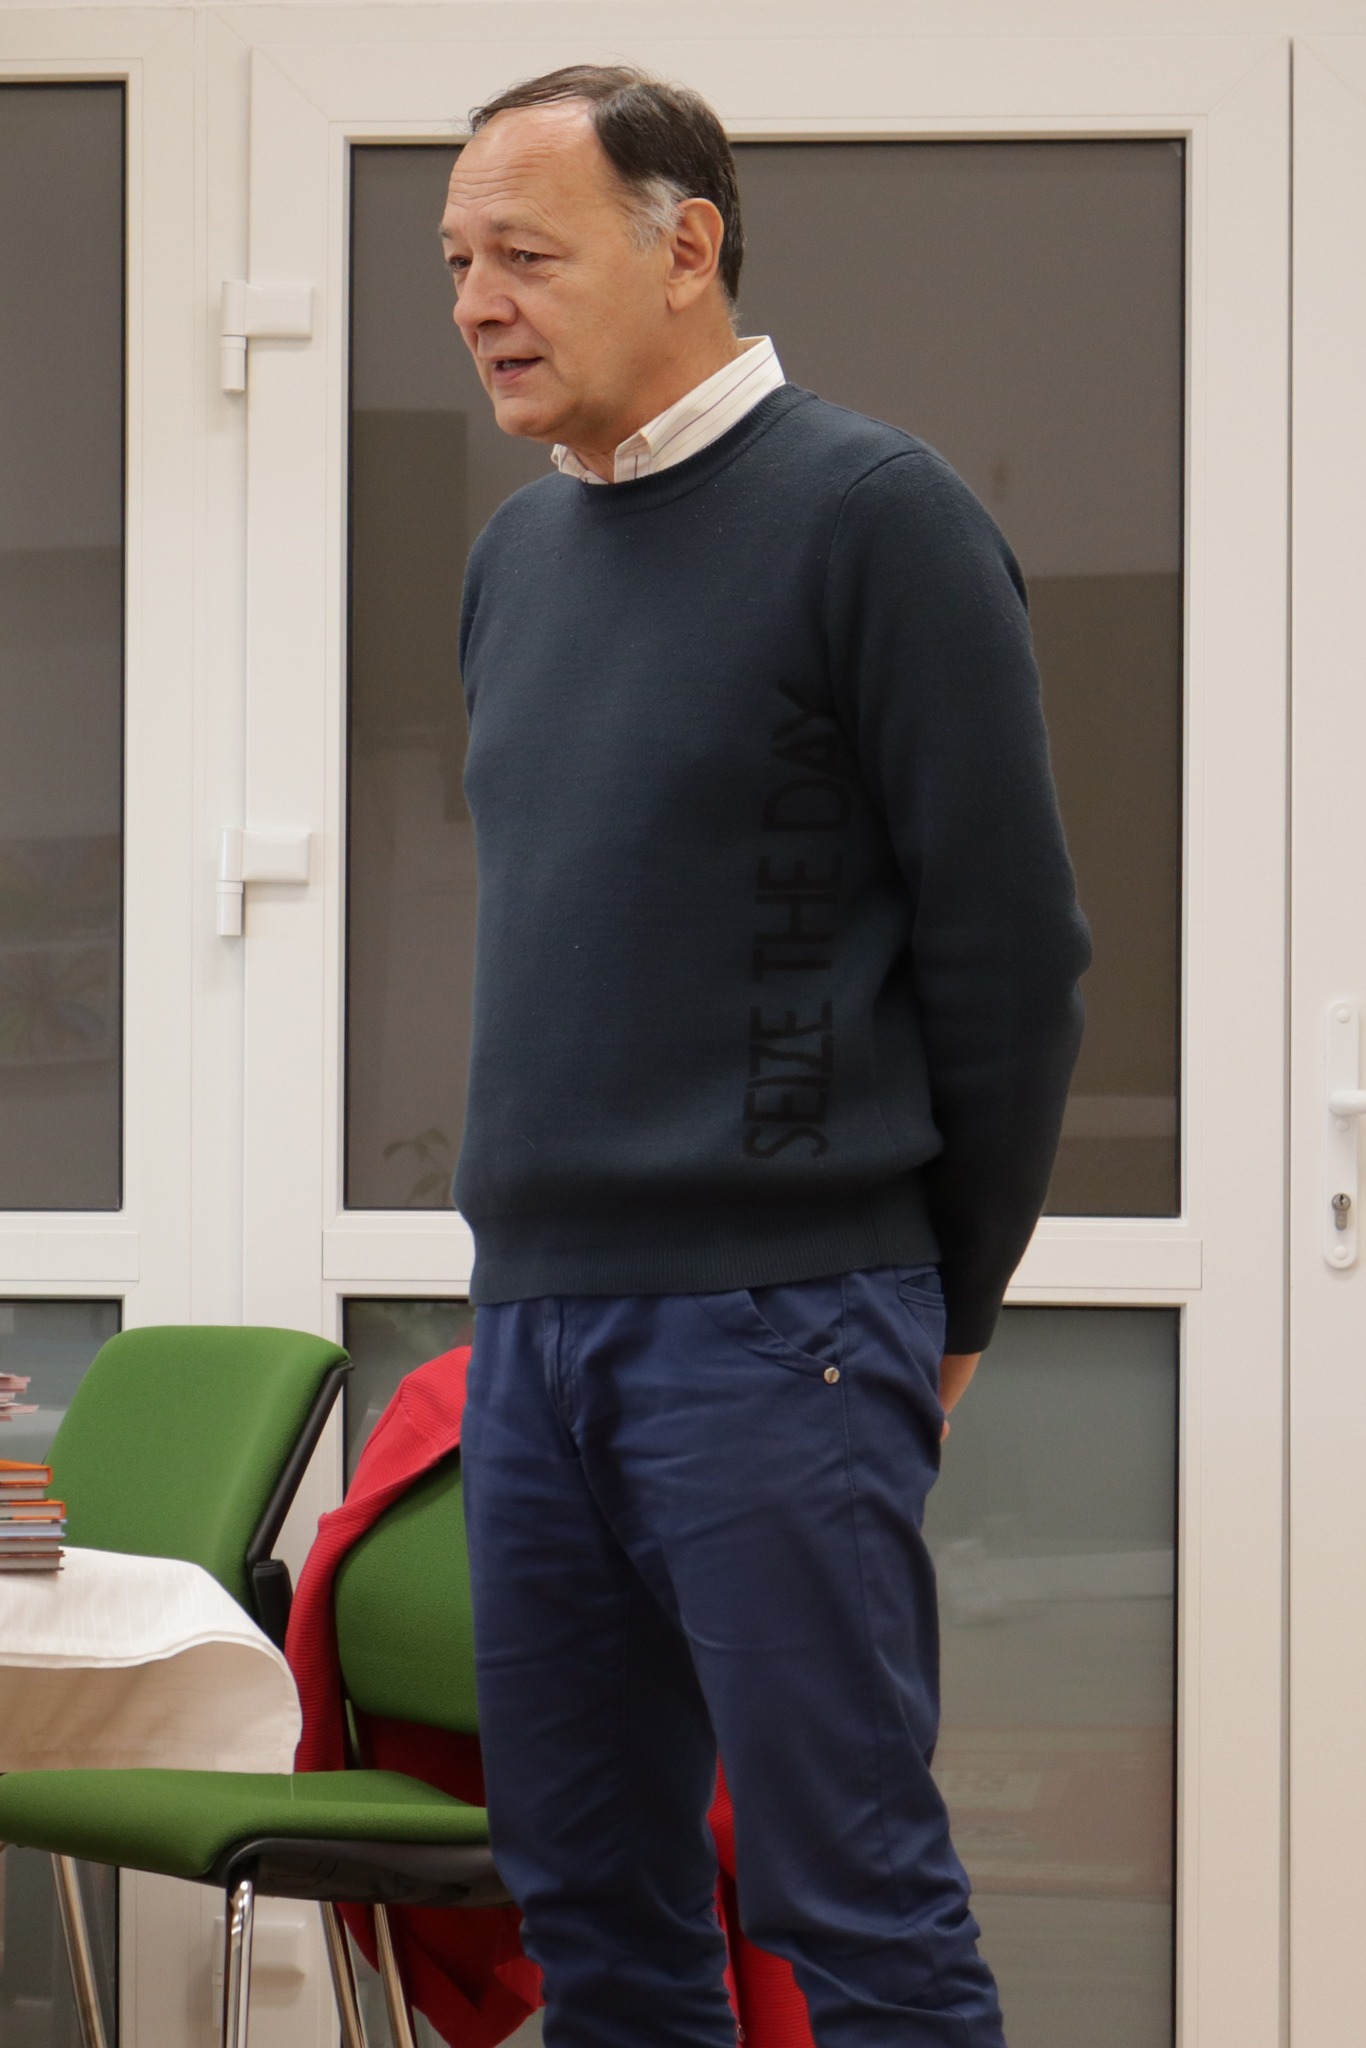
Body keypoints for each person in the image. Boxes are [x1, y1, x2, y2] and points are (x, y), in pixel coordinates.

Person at [442, 63, 1091, 2048]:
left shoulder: (873, 517)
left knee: (849, 1899)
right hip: (534, 1328)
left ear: (685, 246)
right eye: (456, 262)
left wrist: (948, 1304)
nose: (477, 302)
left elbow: (1011, 957)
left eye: (523, 253)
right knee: (587, 1902)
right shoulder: (516, 560)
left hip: (780, 1317)